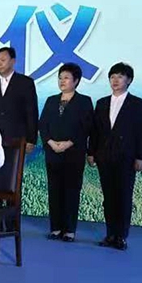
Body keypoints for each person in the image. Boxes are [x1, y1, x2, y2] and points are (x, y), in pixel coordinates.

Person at [88, 62, 142, 251]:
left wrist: (141, 157)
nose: (115, 80)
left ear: (128, 80)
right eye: (112, 77)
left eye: (120, 77)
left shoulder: (137, 103)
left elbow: (141, 132)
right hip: (104, 156)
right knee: (108, 198)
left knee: (123, 197)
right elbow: (95, 131)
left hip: (126, 157)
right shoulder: (102, 103)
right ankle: (110, 234)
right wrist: (91, 152)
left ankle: (121, 236)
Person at [39, 63, 93, 242]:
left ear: (76, 81)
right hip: (52, 152)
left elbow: (86, 127)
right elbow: (43, 125)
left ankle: (69, 230)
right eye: (60, 78)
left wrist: (68, 143)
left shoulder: (84, 101)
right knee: (54, 190)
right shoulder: (51, 100)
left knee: (71, 190)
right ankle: (55, 228)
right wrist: (50, 142)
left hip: (73, 153)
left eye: (66, 78)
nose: (62, 81)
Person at [0, 47, 38, 191]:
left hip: (17, 138)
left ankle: (13, 205)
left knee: (13, 178)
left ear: (13, 61)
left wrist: (31, 139)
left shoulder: (25, 82)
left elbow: (31, 112)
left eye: (3, 60)